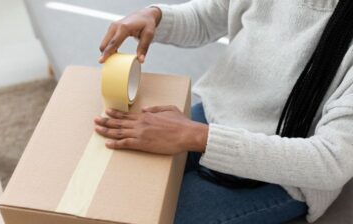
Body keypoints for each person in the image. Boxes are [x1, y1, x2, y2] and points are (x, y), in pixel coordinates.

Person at [95, 0, 353, 223]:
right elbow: (207, 17)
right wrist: (155, 16)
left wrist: (197, 137)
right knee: (118, 194)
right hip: (212, 119)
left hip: (285, 175)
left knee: (153, 217)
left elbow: (331, 161)